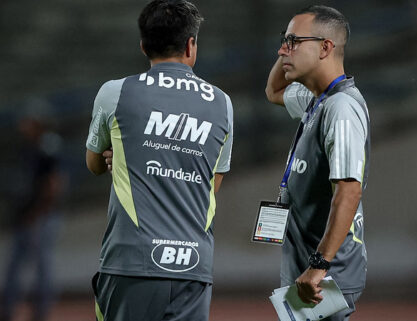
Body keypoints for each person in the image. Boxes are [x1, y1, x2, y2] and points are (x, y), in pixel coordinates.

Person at [85, 0, 233, 320]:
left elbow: (94, 163)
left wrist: (123, 159)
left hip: (130, 262)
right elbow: (212, 184)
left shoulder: (115, 92)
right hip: (193, 265)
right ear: (191, 45)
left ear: (143, 46)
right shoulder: (222, 102)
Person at [265, 5, 370, 320]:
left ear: (326, 47)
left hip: (325, 275)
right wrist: (289, 49)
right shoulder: (317, 99)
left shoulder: (341, 109)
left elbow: (349, 191)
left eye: (294, 41)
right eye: (284, 41)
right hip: (311, 270)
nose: (283, 49)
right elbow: (274, 90)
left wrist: (319, 265)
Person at [1, 113, 64, 321]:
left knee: (41, 268)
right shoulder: (27, 150)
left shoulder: (47, 149)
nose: (22, 127)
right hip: (26, 216)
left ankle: (40, 313)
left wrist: (37, 214)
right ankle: (8, 310)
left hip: (40, 218)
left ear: (37, 125)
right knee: (16, 267)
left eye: (27, 123)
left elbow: (53, 185)